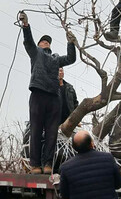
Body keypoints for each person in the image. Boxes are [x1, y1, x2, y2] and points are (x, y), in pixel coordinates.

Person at [19, 11, 76, 175]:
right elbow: (28, 42)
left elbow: (71, 59)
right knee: (36, 130)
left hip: (53, 97)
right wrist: (26, 25)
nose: (45, 42)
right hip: (38, 94)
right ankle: (35, 165)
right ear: (39, 45)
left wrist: (70, 42)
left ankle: (48, 164)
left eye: (48, 41)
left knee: (52, 133)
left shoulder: (56, 58)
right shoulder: (35, 53)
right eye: (43, 41)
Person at [60, 130, 121, 199]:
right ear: (92, 143)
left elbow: (64, 195)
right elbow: (118, 184)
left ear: (73, 147)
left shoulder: (66, 168)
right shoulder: (108, 158)